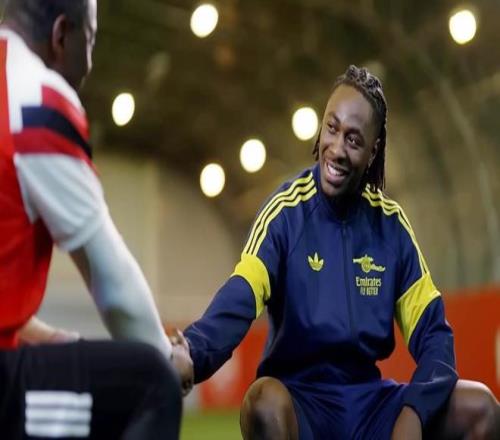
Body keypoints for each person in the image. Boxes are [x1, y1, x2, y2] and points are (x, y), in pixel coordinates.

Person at [177, 65, 500, 439]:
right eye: (331, 128)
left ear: (373, 151)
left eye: (354, 139)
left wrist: (414, 413)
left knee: (481, 408)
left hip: (371, 406)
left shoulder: (391, 226)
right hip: (302, 404)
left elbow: (435, 337)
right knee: (262, 402)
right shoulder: (286, 212)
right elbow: (241, 296)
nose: (337, 149)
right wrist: (191, 353)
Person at [0, 0, 191, 438]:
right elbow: (112, 281)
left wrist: (54, 340)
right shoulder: (32, 99)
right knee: (149, 384)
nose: (88, 64)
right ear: (61, 35)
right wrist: (166, 356)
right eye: (89, 42)